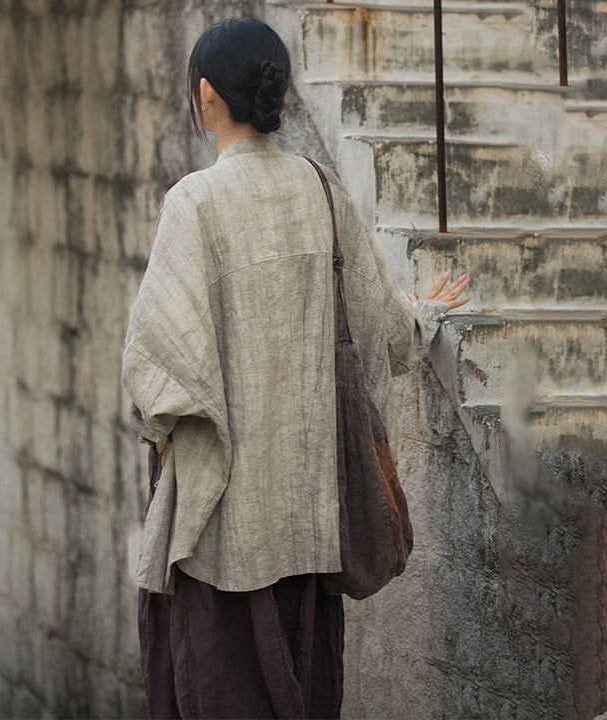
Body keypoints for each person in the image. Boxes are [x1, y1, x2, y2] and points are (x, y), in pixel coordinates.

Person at [121, 16, 470, 719]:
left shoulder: (194, 203)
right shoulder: (320, 190)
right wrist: (425, 313)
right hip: (309, 522)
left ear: (206, 96)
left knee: (217, 692)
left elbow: (156, 369)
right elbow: (382, 333)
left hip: (223, 530)